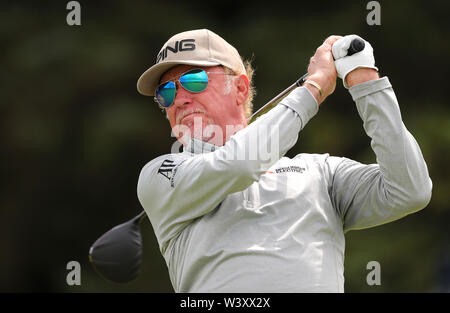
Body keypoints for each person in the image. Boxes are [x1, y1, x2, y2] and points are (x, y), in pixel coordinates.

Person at [136, 29, 432, 292]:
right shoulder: (161, 174)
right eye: (166, 91)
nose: (179, 98)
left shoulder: (319, 172)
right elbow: (241, 164)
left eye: (194, 80)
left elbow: (409, 191)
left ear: (239, 88)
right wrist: (314, 88)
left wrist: (365, 82)